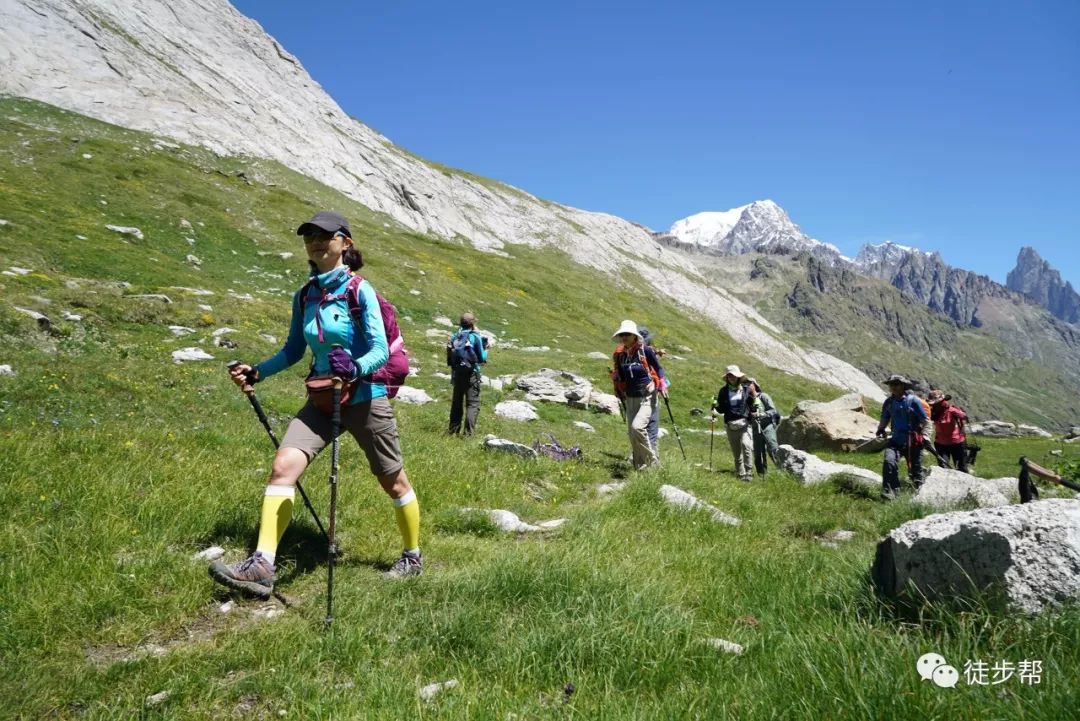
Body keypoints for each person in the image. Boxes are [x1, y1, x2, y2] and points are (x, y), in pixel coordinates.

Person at [210, 210, 423, 598]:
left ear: (346, 242)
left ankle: (412, 556)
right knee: (283, 467)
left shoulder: (361, 291)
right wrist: (258, 372)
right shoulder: (306, 295)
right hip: (322, 398)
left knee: (393, 481)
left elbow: (378, 348)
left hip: (364, 398)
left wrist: (356, 366)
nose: (316, 241)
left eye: (326, 235)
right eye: (309, 235)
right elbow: (293, 350)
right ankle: (262, 565)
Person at [610, 320, 663, 470]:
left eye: (627, 334)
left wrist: (657, 384)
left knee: (637, 428)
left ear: (634, 336)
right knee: (633, 435)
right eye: (622, 334)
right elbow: (621, 375)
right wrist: (617, 383)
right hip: (630, 397)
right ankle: (640, 468)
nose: (624, 337)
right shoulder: (621, 356)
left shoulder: (644, 351)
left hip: (647, 395)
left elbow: (658, 370)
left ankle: (653, 463)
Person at [874, 374, 929, 500]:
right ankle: (890, 491)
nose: (893, 387)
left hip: (913, 441)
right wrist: (880, 429)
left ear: (902, 386)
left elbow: (925, 420)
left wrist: (925, 436)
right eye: (891, 385)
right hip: (895, 440)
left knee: (916, 470)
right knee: (889, 461)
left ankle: (919, 495)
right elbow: (885, 417)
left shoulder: (913, 401)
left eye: (896, 384)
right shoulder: (889, 402)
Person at [446, 312, 489, 435]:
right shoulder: (475, 337)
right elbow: (481, 358)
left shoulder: (455, 336)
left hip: (457, 373)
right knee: (472, 404)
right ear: (473, 323)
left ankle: (453, 431)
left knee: (456, 403)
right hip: (472, 374)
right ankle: (468, 434)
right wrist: (486, 350)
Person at [713, 365, 754, 482]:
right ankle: (741, 473)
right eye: (729, 375)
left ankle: (749, 472)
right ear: (727, 377)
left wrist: (755, 411)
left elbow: (752, 404)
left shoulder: (746, 389)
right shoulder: (723, 391)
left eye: (733, 375)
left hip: (745, 423)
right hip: (731, 424)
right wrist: (714, 410)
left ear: (738, 377)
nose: (731, 377)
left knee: (747, 446)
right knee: (736, 451)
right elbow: (721, 408)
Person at [638, 326, 668, 457]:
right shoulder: (646, 350)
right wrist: (663, 385)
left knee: (642, 424)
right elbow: (657, 368)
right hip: (650, 389)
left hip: (638, 391)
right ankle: (651, 453)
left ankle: (643, 452)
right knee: (651, 422)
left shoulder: (635, 351)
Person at [745, 378, 780, 476]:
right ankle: (762, 475)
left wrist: (761, 414)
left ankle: (782, 469)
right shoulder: (747, 400)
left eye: (749, 383)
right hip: (755, 428)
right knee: (758, 452)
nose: (747, 385)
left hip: (767, 426)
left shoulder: (763, 396)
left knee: (772, 448)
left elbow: (773, 410)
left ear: (755, 385)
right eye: (745, 384)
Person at [928, 389, 969, 473]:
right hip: (941, 444)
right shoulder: (933, 412)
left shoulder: (951, 410)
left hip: (957, 443)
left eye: (937, 403)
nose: (935, 405)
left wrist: (959, 413)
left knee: (961, 468)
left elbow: (964, 416)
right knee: (943, 468)